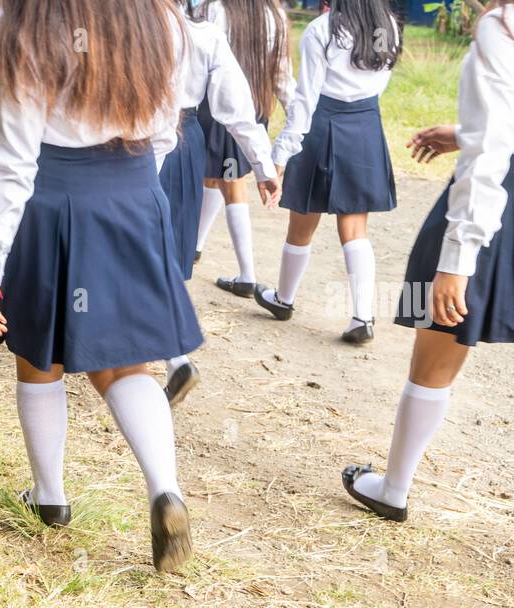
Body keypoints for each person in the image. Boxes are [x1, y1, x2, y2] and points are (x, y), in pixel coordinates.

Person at [342, 0, 514, 588]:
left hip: (501, 211)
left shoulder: (505, 25)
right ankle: (393, 487)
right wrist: (467, 131)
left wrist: (456, 259)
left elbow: (489, 156)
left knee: (434, 354)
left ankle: (393, 488)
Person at [0, 0, 200, 574]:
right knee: (127, 364)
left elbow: (13, 165)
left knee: (38, 355)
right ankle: (164, 490)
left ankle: (49, 495)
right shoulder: (159, 17)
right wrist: (137, 188)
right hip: (135, 193)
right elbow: (169, 127)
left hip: (54, 201)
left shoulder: (29, 25)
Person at [254, 0, 402, 346]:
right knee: (354, 225)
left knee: (303, 217)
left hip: (322, 122)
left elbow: (304, 101)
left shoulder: (322, 30)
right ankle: (362, 316)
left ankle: (284, 300)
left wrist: (280, 155)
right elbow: (381, 84)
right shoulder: (389, 27)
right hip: (365, 123)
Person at [159, 0, 280, 406]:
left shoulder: (118, 23)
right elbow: (237, 107)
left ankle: (168, 355)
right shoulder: (203, 33)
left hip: (129, 139)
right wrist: (263, 165)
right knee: (169, 244)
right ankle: (172, 355)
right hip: (183, 138)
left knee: (129, 244)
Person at [193, 0, 293, 298]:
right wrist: (295, 116)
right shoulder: (275, 15)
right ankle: (194, 247)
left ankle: (248, 275)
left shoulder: (214, 10)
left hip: (217, 106)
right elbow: (282, 73)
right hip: (254, 108)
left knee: (232, 184)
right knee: (215, 178)